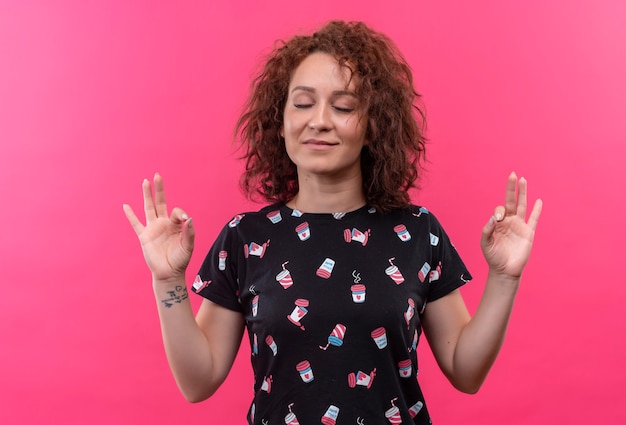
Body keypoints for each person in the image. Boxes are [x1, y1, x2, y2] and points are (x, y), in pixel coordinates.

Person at [123, 20, 542, 424]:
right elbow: (198, 381)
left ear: (373, 126)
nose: (319, 120)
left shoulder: (417, 233)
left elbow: (465, 371)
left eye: (342, 106)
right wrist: (167, 281)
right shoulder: (246, 237)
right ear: (281, 122)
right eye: (303, 103)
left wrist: (504, 277)